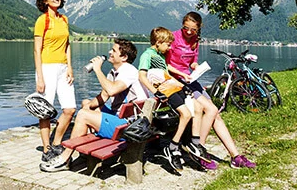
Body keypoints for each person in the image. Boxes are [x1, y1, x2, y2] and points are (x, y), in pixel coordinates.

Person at [40, 38, 148, 172]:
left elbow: (112, 90)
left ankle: (65, 159)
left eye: (113, 50)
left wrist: (97, 70)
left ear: (124, 57)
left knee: (84, 116)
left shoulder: (128, 71)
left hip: (130, 127)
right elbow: (103, 96)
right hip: (123, 119)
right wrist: (87, 106)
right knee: (86, 104)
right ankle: (84, 149)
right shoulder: (114, 72)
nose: (110, 52)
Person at [166, 11, 256, 169]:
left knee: (216, 115)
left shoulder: (195, 40)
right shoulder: (173, 38)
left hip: (190, 79)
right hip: (177, 81)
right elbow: (165, 64)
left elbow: (192, 62)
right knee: (211, 109)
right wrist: (181, 76)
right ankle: (198, 148)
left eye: (193, 29)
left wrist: (197, 67)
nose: (188, 32)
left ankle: (235, 156)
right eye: (186, 28)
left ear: (198, 29)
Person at [137, 27, 205, 172]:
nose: (169, 48)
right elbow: (142, 76)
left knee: (198, 108)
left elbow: (166, 68)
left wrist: (183, 80)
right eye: (167, 44)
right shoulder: (147, 55)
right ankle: (173, 147)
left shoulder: (159, 54)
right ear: (158, 42)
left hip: (174, 85)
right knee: (185, 114)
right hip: (165, 89)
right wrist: (155, 91)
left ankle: (195, 142)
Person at [33, 0, 76, 162]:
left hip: (63, 68)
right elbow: (37, 50)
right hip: (47, 68)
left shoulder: (64, 19)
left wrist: (70, 67)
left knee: (70, 109)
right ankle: (46, 148)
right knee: (45, 111)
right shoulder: (42, 20)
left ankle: (57, 141)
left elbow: (67, 45)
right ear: (45, 0)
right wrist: (40, 77)